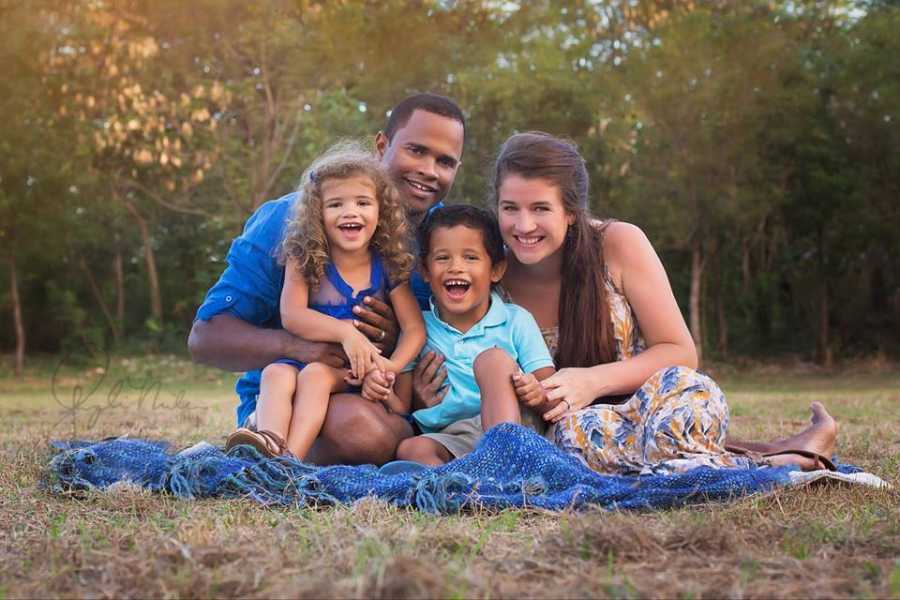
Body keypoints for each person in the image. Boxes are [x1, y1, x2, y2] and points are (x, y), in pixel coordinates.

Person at [421, 131, 838, 474]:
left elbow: (679, 352)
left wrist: (592, 380)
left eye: (540, 208)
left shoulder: (618, 244)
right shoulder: (491, 272)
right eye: (510, 208)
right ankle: (780, 460)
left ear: (570, 211)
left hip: (648, 404)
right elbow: (465, 351)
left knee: (693, 393)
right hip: (572, 432)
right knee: (577, 440)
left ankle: (761, 457)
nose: (523, 225)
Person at [188, 93, 465, 465]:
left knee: (353, 425)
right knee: (314, 399)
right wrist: (301, 346)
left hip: (381, 401)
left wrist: (395, 350)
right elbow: (206, 338)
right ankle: (269, 447)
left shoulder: (449, 238)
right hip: (287, 395)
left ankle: (281, 464)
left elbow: (476, 330)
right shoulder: (293, 222)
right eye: (416, 150)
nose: (429, 170)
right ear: (382, 146)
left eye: (445, 162)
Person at [224, 143, 426, 459]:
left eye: (363, 202)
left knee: (315, 376)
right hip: (306, 357)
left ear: (381, 210)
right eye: (335, 205)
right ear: (316, 214)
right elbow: (293, 315)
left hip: (350, 371)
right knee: (275, 374)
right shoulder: (305, 258)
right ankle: (269, 447)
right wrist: (346, 333)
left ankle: (291, 463)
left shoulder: (386, 264)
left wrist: (390, 366)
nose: (350, 212)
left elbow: (415, 329)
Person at [360, 205, 556, 465]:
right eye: (443, 258)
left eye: (470, 258)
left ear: (496, 270)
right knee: (411, 449)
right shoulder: (417, 330)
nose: (456, 267)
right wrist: (380, 388)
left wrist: (536, 392)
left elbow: (552, 396)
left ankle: (502, 463)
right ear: (426, 271)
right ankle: (457, 491)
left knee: (493, 361)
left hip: (517, 430)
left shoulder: (515, 320)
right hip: (454, 436)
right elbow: (403, 407)